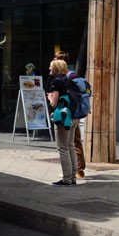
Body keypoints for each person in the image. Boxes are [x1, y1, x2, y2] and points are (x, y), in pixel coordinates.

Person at [55, 50, 86, 179]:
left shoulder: (67, 77)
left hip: (69, 113)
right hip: (74, 113)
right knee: (73, 142)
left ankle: (76, 171)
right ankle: (75, 171)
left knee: (71, 143)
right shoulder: (71, 75)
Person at [47, 59, 77, 186]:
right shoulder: (68, 80)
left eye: (51, 67)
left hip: (64, 118)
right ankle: (73, 177)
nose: (49, 69)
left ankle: (67, 179)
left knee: (63, 148)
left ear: (56, 68)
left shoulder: (57, 82)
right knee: (71, 146)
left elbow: (54, 103)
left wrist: (49, 97)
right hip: (74, 116)